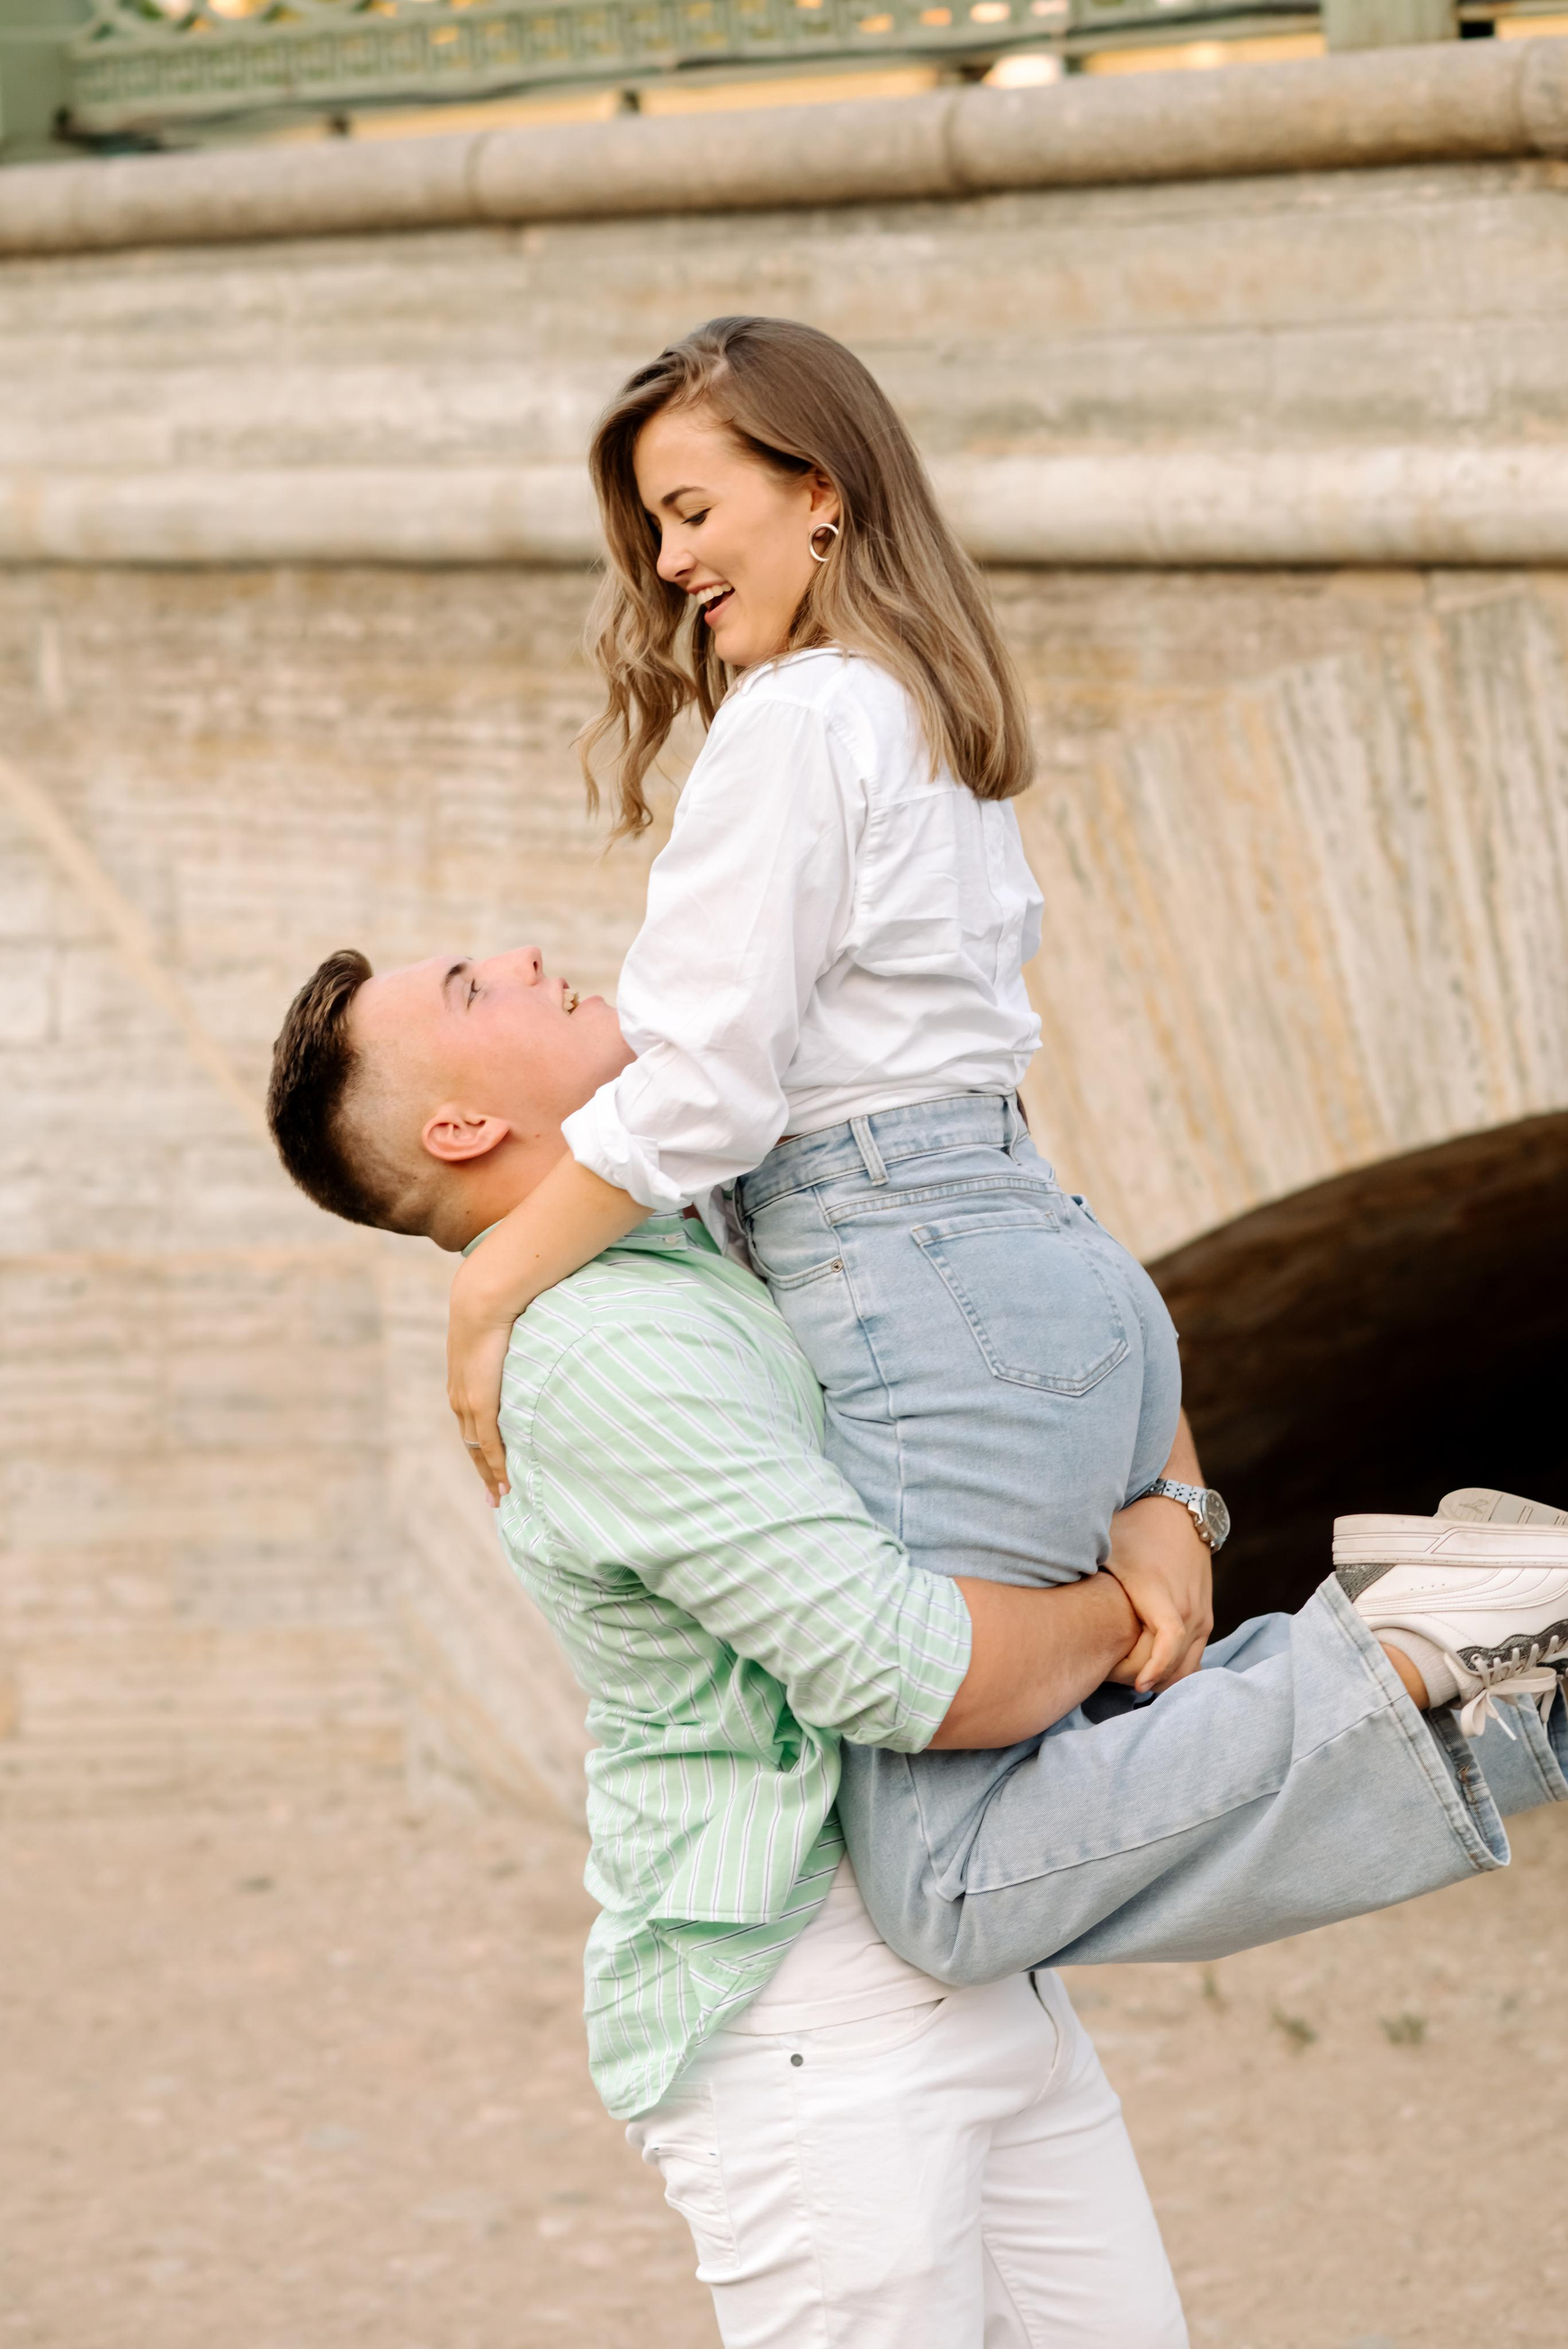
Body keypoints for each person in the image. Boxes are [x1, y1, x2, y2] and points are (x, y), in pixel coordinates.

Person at [265, 941, 1568, 2349]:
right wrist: (1130, 1601)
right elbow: (913, 1675)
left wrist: (1170, 1504)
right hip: (807, 2020)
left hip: (975, 1958)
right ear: (460, 1128)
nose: (525, 955)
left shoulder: (713, 1210)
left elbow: (1049, 1312)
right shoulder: (602, 1349)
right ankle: (1415, 1648)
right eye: (471, 987)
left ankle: (1430, 1645)